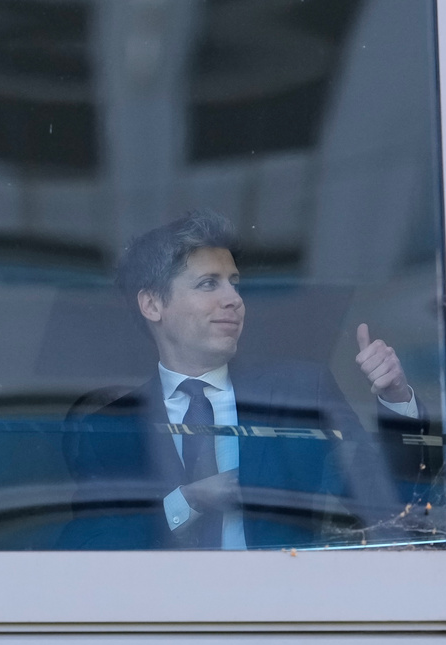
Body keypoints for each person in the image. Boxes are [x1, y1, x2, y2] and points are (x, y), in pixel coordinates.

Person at [59, 209, 423, 550]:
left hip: (281, 611)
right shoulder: (111, 426)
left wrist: (396, 398)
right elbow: (92, 544)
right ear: (152, 304)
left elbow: (389, 507)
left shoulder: (299, 391)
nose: (234, 299)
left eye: (234, 283)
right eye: (208, 284)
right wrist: (188, 501)